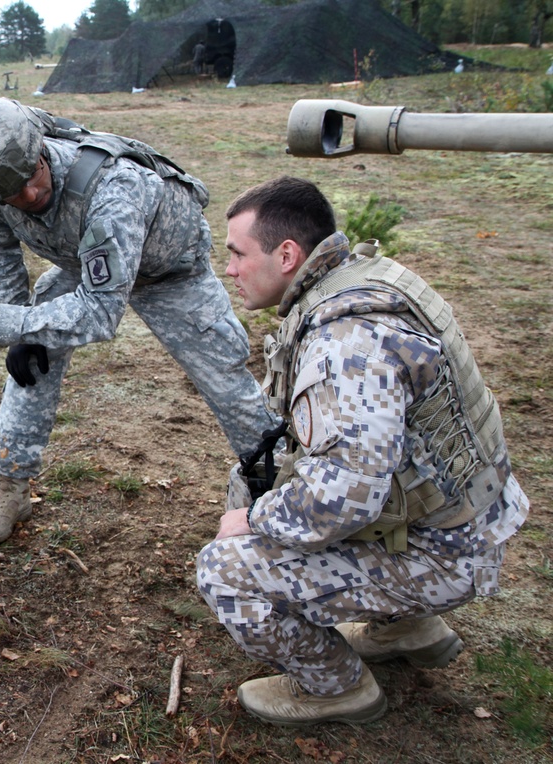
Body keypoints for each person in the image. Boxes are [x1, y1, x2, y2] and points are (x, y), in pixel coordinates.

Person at [196, 176, 529, 726]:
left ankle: (337, 688)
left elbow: (340, 502)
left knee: (224, 569)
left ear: (287, 255)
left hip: (445, 552)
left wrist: (251, 518)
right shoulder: (369, 279)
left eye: (236, 254)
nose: (228, 270)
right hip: (468, 517)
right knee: (256, 476)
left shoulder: (345, 344)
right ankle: (407, 626)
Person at [0, 97, 281, 544]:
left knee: (226, 380)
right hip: (83, 261)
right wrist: (13, 323)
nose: (29, 195)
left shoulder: (113, 187)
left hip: (169, 271)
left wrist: (3, 321)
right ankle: (11, 487)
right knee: (30, 361)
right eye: (13, 193)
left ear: (41, 150)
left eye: (33, 174)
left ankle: (280, 488)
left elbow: (100, 311)